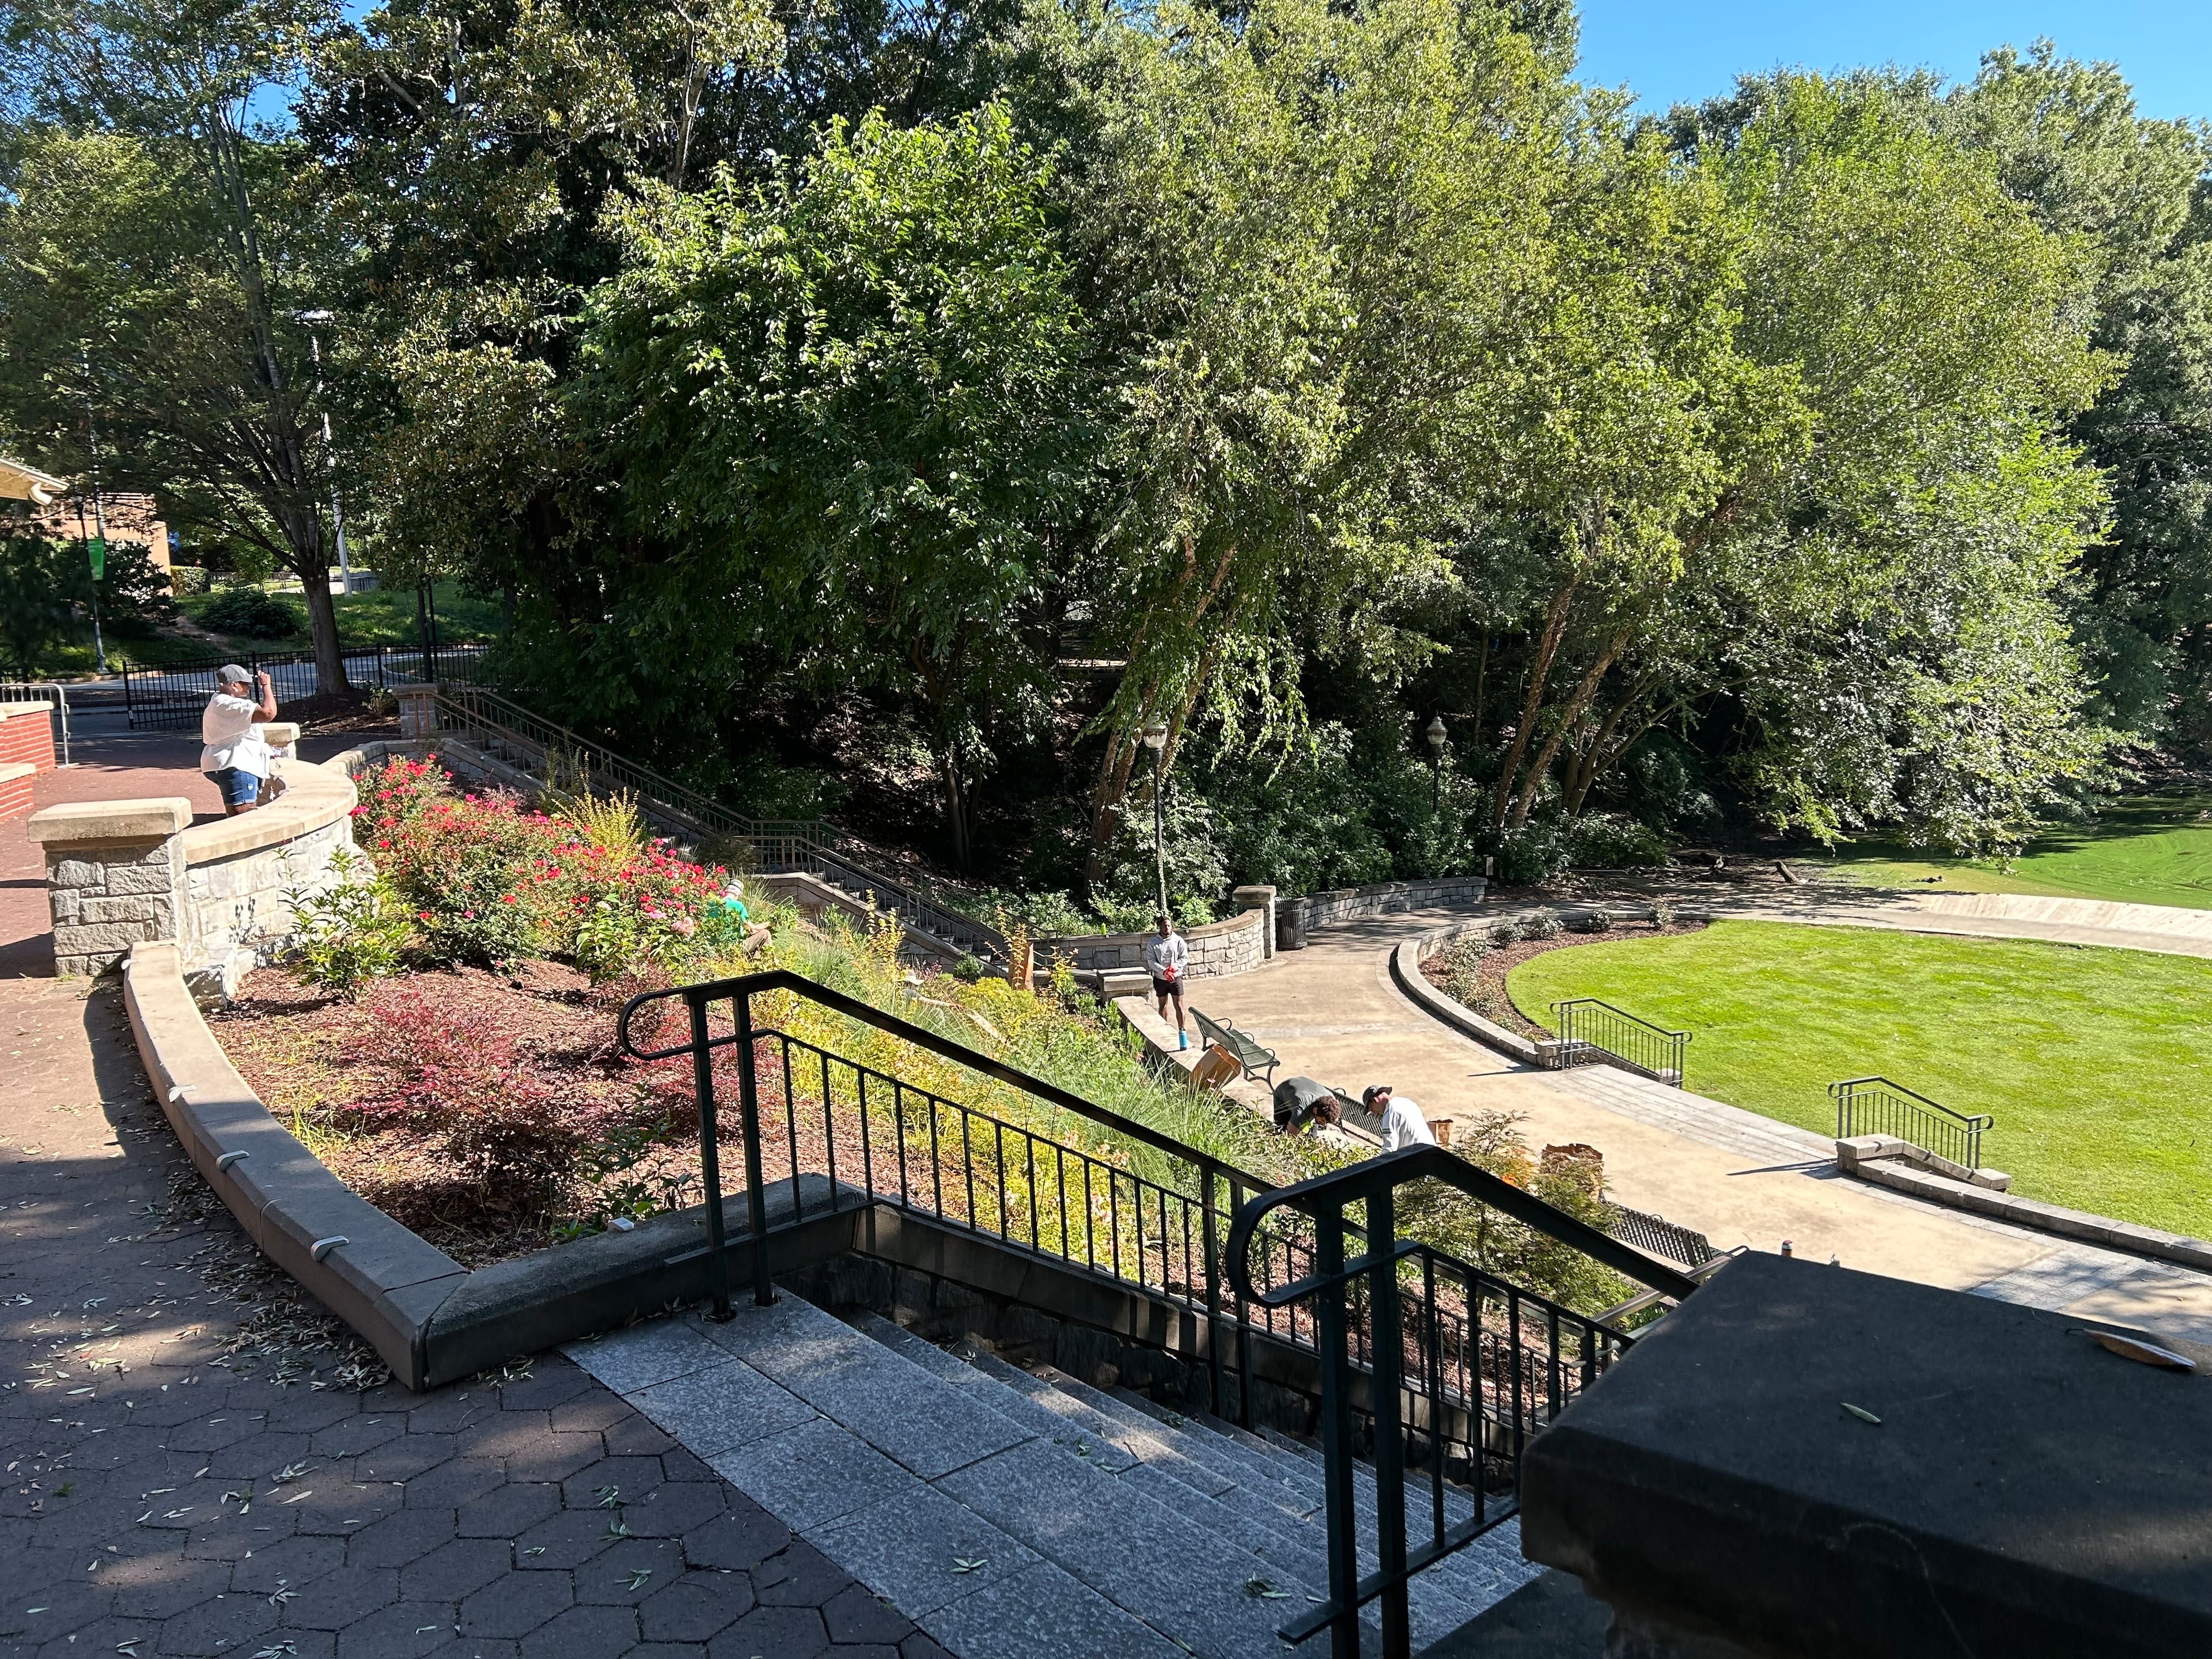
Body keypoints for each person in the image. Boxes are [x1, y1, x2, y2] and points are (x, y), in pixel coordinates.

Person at [201, 665, 277, 816]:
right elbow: (269, 713)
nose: (249, 687)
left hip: (227, 764)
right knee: (244, 817)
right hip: (236, 765)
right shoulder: (228, 705)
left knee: (240, 815)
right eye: (245, 683)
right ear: (233, 685)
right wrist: (266, 687)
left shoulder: (220, 703)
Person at [1146, 912, 1190, 1050]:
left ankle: (1182, 1031)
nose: (1167, 928)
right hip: (1161, 979)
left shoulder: (1178, 941)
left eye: (1169, 925)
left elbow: (1184, 958)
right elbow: (1151, 961)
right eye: (1164, 926)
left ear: (1172, 927)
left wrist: (1173, 968)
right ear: (1159, 927)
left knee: (1179, 1005)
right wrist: (1164, 971)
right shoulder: (1153, 943)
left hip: (1176, 978)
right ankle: (1164, 1029)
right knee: (1162, 1004)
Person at [1363, 1084, 1438, 1153]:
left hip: (1417, 1157)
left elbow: (1389, 1149)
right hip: (1431, 1152)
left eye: (1371, 1109)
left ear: (1375, 1100)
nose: (1375, 1112)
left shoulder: (1390, 1113)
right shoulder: (1407, 1102)